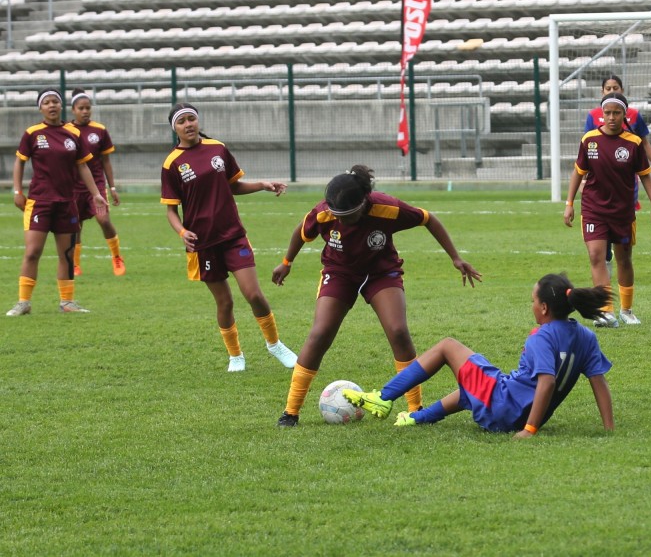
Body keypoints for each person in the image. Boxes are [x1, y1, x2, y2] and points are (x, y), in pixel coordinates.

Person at [274, 165, 482, 427]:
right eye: (338, 215)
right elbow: (300, 233)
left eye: (348, 215)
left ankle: (414, 408)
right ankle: (290, 411)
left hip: (381, 272)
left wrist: (455, 258)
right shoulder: (324, 213)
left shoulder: (388, 208)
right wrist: (286, 262)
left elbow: (428, 218)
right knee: (320, 333)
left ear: (364, 204)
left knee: (398, 331)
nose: (342, 221)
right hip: (339, 273)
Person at [343, 273, 614, 438]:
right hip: (517, 406)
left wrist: (529, 430)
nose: (531, 305)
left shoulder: (542, 337)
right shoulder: (586, 337)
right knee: (471, 387)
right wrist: (609, 427)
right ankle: (415, 418)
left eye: (532, 300)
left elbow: (547, 382)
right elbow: (598, 382)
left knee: (448, 346)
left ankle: (382, 398)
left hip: (505, 408)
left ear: (544, 308)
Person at [160, 102, 297, 372]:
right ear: (174, 128)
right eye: (182, 121)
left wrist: (262, 185)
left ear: (198, 122)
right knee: (225, 302)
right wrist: (182, 231)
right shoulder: (171, 164)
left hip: (233, 235)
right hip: (203, 244)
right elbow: (171, 210)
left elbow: (233, 185)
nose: (188, 124)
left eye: (191, 119)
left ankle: (275, 345)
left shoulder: (217, 148)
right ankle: (236, 356)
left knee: (254, 294)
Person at [565, 92, 651, 328]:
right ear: (602, 115)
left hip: (623, 211)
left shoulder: (634, 142)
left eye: (616, 113)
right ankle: (606, 311)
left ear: (624, 114)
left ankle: (626, 310)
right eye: (607, 113)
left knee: (624, 260)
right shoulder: (589, 140)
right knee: (596, 255)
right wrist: (569, 204)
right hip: (593, 209)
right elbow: (578, 172)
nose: (611, 117)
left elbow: (645, 176)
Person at [7, 89, 107, 316]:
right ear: (40, 108)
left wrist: (95, 193)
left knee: (67, 254)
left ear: (61, 106)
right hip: (39, 202)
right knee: (32, 251)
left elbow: (83, 165)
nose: (51, 105)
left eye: (55, 101)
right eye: (46, 102)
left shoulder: (72, 133)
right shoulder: (32, 133)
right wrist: (17, 190)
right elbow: (19, 162)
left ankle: (67, 302)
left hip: (67, 203)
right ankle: (23, 302)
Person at [583, 74, 651, 278]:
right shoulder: (592, 116)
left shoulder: (634, 116)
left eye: (616, 87)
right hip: (599, 186)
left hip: (625, 183)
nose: (612, 91)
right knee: (599, 248)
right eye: (608, 88)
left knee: (622, 237)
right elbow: (586, 150)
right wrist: (583, 180)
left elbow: (644, 143)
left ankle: (616, 261)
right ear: (602, 92)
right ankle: (605, 265)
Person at [67, 89, 126, 277]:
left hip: (97, 185)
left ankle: (117, 257)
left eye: (88, 107)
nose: (85, 111)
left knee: (104, 220)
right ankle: (75, 265)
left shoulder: (99, 130)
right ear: (73, 110)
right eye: (81, 108)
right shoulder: (65, 131)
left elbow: (106, 161)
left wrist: (112, 187)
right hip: (74, 187)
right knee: (75, 225)